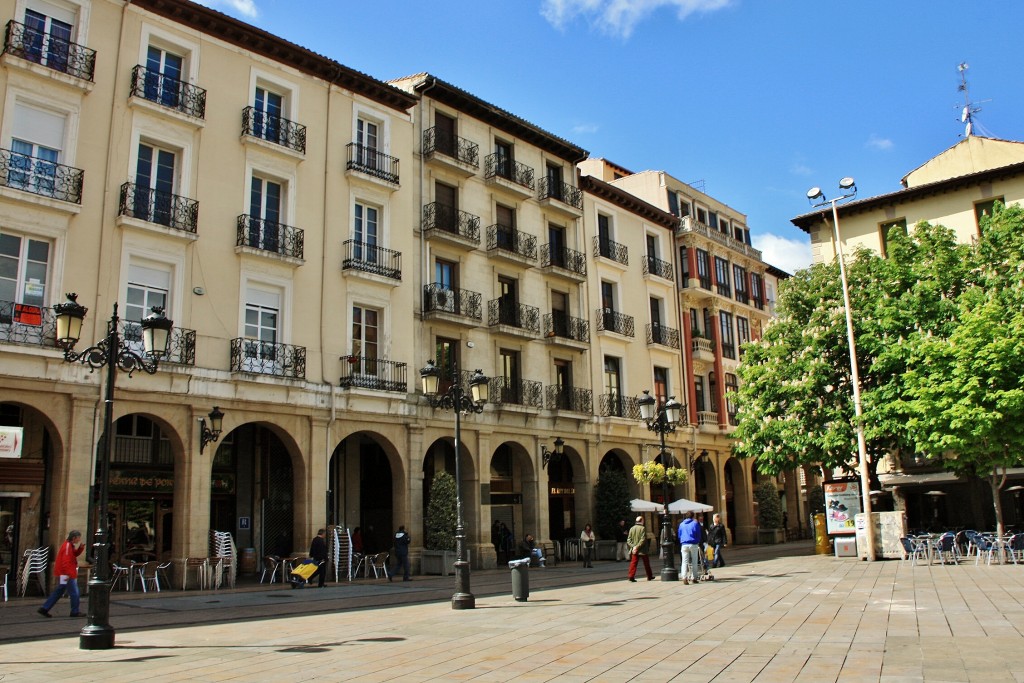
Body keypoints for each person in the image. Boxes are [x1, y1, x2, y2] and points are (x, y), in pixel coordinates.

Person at [38, 530, 85, 618]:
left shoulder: (69, 545)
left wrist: (80, 549)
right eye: (78, 538)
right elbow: (66, 561)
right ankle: (75, 611)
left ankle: (45, 608)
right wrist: (68, 574)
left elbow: (73, 555)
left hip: (64, 573)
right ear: (74, 538)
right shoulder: (68, 546)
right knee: (75, 592)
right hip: (67, 574)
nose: (79, 540)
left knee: (59, 590)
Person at [678, 511, 703, 584]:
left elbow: (679, 535)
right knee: (694, 561)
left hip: (684, 544)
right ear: (693, 516)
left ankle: (684, 577)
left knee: (684, 562)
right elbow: (698, 534)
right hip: (693, 543)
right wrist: (697, 541)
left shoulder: (681, 524)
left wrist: (682, 540)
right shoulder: (695, 523)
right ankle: (694, 577)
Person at [626, 516, 653, 582]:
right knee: (646, 563)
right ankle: (649, 576)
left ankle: (631, 576)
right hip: (642, 550)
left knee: (633, 563)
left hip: (634, 550)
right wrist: (637, 546)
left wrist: (633, 547)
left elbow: (628, 540)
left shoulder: (632, 528)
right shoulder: (642, 528)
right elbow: (643, 539)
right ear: (642, 521)